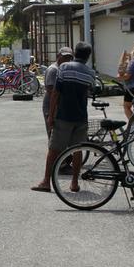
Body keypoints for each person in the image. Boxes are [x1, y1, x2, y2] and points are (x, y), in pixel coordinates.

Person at [32, 42, 96, 193]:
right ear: (87, 57)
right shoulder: (90, 73)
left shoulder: (64, 68)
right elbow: (90, 91)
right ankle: (74, 183)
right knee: (78, 150)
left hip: (63, 115)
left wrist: (51, 115)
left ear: (75, 54)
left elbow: (55, 93)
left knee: (53, 149)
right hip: (81, 116)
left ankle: (46, 182)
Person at [42, 47, 74, 137]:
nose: (67, 60)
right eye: (64, 57)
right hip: (51, 106)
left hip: (61, 106)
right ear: (58, 56)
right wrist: (52, 113)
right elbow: (51, 91)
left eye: (69, 58)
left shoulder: (65, 69)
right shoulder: (53, 70)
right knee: (53, 136)